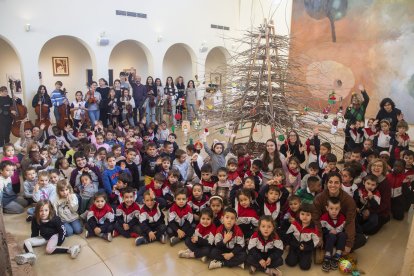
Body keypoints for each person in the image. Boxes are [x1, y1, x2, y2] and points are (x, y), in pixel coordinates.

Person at [14, 200, 81, 265]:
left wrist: (59, 242)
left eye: (46, 210)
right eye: (41, 210)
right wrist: (34, 241)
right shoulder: (35, 219)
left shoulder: (55, 219)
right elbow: (34, 230)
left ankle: (71, 249)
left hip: (55, 236)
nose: (43, 213)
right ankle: (31, 255)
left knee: (48, 250)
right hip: (44, 237)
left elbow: (62, 230)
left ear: (49, 210)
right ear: (37, 211)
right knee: (26, 242)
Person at [313, 172, 364, 254]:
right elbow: (316, 219)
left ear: (340, 185)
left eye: (336, 182)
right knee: (310, 238)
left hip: (341, 231)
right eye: (330, 182)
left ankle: (333, 250)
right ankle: (334, 249)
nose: (333, 185)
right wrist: (319, 236)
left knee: (361, 239)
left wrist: (349, 244)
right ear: (326, 184)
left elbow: (350, 222)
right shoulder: (319, 198)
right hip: (326, 231)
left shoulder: (349, 201)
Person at [285, 203, 319, 271]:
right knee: (290, 263)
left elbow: (315, 241)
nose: (305, 217)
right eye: (302, 214)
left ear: (312, 216)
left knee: (305, 267)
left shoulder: (313, 228)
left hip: (306, 248)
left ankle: (307, 257)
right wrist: (289, 244)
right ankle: (295, 256)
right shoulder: (295, 223)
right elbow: (288, 234)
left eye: (308, 215)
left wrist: (306, 247)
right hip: (295, 246)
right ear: (299, 214)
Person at [320, 197, 347, 272]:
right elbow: (321, 229)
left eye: (336, 209)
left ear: (340, 208)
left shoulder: (342, 218)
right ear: (327, 208)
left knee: (343, 235)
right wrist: (328, 231)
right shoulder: (324, 217)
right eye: (331, 208)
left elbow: (344, 229)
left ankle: (337, 255)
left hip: (338, 238)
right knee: (331, 236)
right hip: (328, 238)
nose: (334, 211)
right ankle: (327, 256)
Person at [365, 158, 391, 234]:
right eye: (374, 165)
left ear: (383, 169)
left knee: (370, 231)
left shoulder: (385, 183)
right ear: (370, 167)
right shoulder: (367, 178)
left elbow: (385, 204)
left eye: (379, 166)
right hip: (367, 208)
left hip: (380, 211)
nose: (376, 168)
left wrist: (370, 211)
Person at [344, 84, 369, 154]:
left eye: (357, 104)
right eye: (354, 104)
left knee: (359, 144)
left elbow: (367, 99)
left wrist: (363, 91)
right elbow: (346, 116)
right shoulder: (350, 107)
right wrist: (350, 110)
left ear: (360, 103)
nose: (356, 106)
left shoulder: (363, 107)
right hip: (350, 128)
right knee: (347, 143)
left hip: (359, 129)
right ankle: (345, 158)